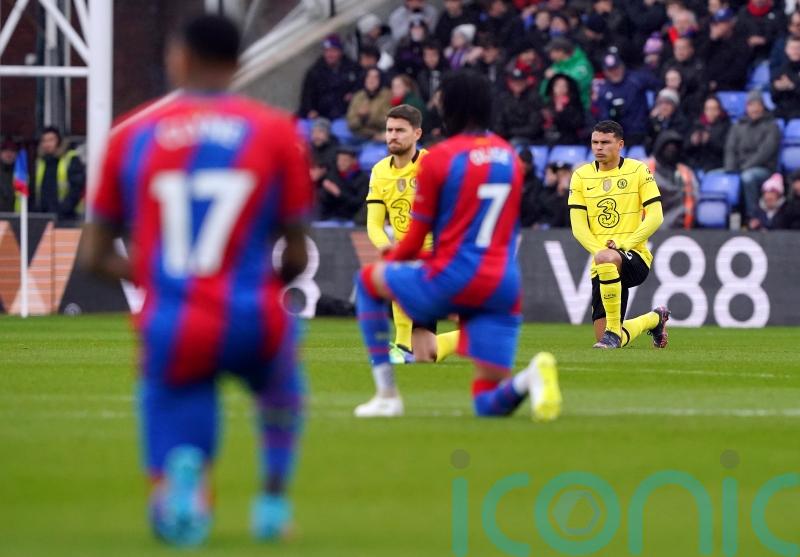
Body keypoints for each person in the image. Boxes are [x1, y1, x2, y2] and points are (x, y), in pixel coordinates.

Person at [80, 15, 312, 546]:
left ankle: (183, 468)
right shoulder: (277, 134)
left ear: (178, 59)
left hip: (175, 319)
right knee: (280, 387)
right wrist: (264, 282)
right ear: (237, 64)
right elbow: (296, 254)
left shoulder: (129, 137)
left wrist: (164, 277)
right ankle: (272, 503)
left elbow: (93, 256)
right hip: (252, 312)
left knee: (173, 387)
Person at [353, 70, 562, 420]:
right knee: (486, 402)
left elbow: (416, 237)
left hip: (453, 273)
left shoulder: (440, 157)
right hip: (502, 283)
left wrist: (393, 262)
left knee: (368, 282)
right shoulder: (508, 155)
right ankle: (530, 377)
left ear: (450, 106)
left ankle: (387, 394)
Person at [363, 104, 459, 366]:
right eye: (389, 130)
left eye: (400, 131)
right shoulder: (380, 171)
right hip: (405, 255)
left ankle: (470, 336)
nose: (393, 135)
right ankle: (404, 346)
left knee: (425, 351)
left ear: (417, 134)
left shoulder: (433, 165)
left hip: (435, 256)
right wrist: (386, 248)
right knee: (423, 355)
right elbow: (374, 224)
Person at [568, 120, 670, 349]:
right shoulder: (581, 176)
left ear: (620, 144)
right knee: (603, 338)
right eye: (595, 142)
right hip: (603, 262)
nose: (598, 147)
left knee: (610, 335)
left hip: (634, 255)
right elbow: (578, 227)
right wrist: (601, 252)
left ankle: (613, 332)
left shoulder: (638, 170)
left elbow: (655, 216)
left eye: (605, 142)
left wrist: (624, 244)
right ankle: (654, 319)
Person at [724, 90, 781, 221]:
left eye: (757, 105)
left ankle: (753, 217)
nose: (754, 109)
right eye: (750, 105)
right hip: (739, 167)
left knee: (748, 177)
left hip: (764, 168)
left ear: (762, 106)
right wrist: (730, 168)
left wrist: (745, 167)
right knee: (715, 177)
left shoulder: (772, 126)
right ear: (746, 107)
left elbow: (765, 152)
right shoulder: (738, 125)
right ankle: (729, 219)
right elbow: (730, 149)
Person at [595, 51, 662, 146]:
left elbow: (659, 86)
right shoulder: (603, 91)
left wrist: (657, 106)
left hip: (642, 131)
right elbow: (604, 118)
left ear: (622, 66)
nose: (615, 72)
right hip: (620, 136)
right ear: (605, 72)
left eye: (616, 68)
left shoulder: (636, 79)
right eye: (610, 70)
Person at [298, 34, 360, 120]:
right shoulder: (315, 71)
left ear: (340, 52)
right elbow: (307, 95)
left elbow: (360, 84)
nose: (329, 54)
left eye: (333, 51)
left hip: (346, 112)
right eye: (327, 51)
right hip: (321, 115)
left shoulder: (352, 67)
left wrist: (353, 94)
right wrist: (310, 110)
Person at [32, 126, 85, 221]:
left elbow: (77, 187)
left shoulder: (71, 158)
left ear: (59, 141)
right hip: (44, 215)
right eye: (44, 141)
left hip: (67, 216)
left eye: (51, 140)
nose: (47, 144)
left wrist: (65, 208)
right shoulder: (40, 161)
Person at [647, 129, 697, 229]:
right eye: (667, 147)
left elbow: (694, 198)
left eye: (674, 147)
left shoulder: (686, 173)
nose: (671, 150)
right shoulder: (645, 169)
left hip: (680, 228)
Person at [317, 145, 370, 222]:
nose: (340, 163)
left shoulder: (363, 179)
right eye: (339, 160)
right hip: (330, 218)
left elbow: (358, 203)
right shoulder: (332, 175)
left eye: (345, 160)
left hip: (353, 219)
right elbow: (324, 201)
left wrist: (339, 193)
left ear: (354, 161)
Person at [684, 94, 731, 172]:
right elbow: (685, 147)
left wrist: (710, 140)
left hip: (716, 165)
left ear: (719, 110)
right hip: (696, 164)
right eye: (708, 109)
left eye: (713, 109)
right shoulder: (697, 124)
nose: (710, 112)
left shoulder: (726, 126)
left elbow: (727, 149)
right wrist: (692, 142)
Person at [346, 67, 391, 141]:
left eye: (375, 77)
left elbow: (388, 121)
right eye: (369, 77)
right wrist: (361, 119)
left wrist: (367, 117)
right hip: (357, 136)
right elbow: (350, 123)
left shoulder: (388, 96)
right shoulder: (358, 96)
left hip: (379, 137)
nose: (371, 80)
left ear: (381, 80)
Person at [0, 140, 18, 212]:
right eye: (5, 150)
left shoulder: (22, 174)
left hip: (17, 216)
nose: (9, 153)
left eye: (12, 151)